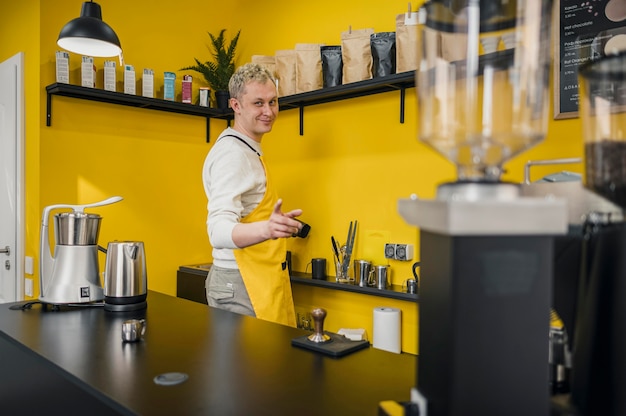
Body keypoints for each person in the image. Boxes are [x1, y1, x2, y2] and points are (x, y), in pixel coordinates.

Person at [202, 63, 303, 327]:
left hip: (256, 278)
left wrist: (276, 227)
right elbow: (218, 231)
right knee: (246, 369)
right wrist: (268, 229)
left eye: (273, 101)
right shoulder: (233, 155)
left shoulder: (247, 150)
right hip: (240, 282)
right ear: (236, 105)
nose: (268, 111)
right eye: (258, 103)